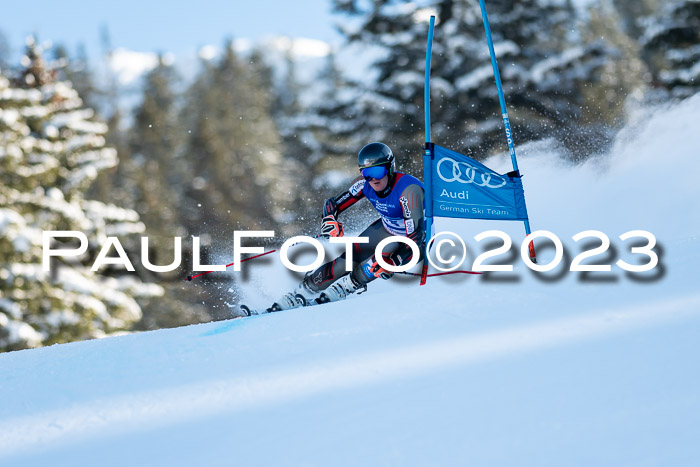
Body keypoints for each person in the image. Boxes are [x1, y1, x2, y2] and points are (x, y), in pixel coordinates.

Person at [273, 142, 426, 310]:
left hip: (414, 242)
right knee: (344, 262)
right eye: (366, 173)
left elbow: (416, 236)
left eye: (377, 171)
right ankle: (301, 293)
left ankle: (345, 288)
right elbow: (333, 204)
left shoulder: (408, 190)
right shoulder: (364, 184)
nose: (372, 179)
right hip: (386, 228)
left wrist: (395, 261)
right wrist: (330, 219)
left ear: (390, 168)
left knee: (376, 263)